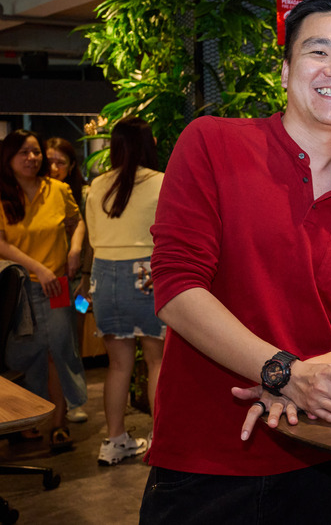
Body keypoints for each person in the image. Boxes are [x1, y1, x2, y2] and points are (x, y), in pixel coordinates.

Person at [139, 0, 331, 524]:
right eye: (318, 51)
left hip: (320, 450)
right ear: (285, 71)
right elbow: (177, 288)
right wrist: (283, 371)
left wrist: (308, 379)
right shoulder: (211, 143)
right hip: (206, 456)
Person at [0, 129, 88, 452]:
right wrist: (37, 267)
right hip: (20, 289)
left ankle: (59, 422)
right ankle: (28, 420)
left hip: (58, 285)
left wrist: (75, 249)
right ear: (9, 158)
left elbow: (77, 222)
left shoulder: (58, 189)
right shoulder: (3, 196)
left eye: (35, 151)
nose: (32, 158)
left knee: (59, 350)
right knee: (25, 355)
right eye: (23, 152)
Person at [84, 117, 165, 466]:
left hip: (104, 275)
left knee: (118, 365)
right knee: (157, 361)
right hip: (146, 273)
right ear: (150, 144)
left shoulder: (97, 185)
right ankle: (161, 439)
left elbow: (92, 237)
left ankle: (114, 441)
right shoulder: (161, 182)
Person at [45, 136, 91, 424]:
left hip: (81, 280)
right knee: (57, 342)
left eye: (60, 162)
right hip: (55, 280)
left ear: (72, 165)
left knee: (75, 336)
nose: (54, 167)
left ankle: (75, 401)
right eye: (49, 161)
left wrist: (86, 277)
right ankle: (61, 400)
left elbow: (92, 239)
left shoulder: (82, 194)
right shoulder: (40, 192)